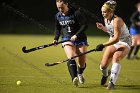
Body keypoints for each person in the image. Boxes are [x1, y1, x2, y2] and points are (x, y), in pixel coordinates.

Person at [95, 0, 132, 89]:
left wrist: (103, 45)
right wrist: (103, 28)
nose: (102, 13)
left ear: (111, 11)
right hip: (114, 40)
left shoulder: (117, 20)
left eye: (104, 12)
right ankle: (105, 75)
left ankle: (112, 83)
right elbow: (111, 33)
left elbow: (116, 38)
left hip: (124, 42)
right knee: (103, 66)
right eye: (102, 12)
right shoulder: (106, 19)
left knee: (116, 57)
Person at [53, 0, 88, 87]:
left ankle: (79, 73)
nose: (60, 9)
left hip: (80, 38)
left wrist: (76, 35)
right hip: (66, 38)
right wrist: (55, 39)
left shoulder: (76, 13)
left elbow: (85, 25)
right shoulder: (57, 16)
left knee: (82, 63)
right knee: (71, 57)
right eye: (58, 7)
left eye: (62, 7)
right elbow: (57, 29)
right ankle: (74, 78)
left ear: (66, 4)